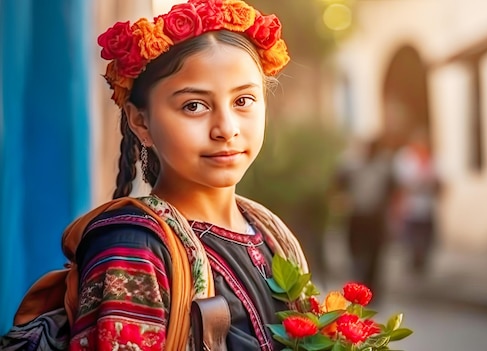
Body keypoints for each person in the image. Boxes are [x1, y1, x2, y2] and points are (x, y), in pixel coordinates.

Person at [2, 1, 308, 350]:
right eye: (194, 106)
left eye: (243, 101)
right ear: (140, 121)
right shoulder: (133, 248)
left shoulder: (269, 232)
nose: (226, 128)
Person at [333, 136, 396, 298]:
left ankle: (372, 290)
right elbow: (338, 183)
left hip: (376, 218)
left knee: (376, 255)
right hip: (357, 216)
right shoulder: (352, 165)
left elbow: (393, 189)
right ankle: (358, 287)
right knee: (355, 252)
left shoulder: (384, 167)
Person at [392, 130, 439, 273]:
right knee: (411, 239)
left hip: (427, 206)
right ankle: (413, 262)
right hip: (411, 207)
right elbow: (401, 182)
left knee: (426, 238)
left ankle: (422, 263)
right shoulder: (404, 158)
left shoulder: (431, 159)